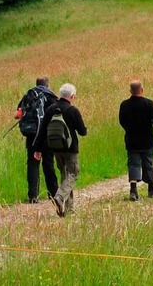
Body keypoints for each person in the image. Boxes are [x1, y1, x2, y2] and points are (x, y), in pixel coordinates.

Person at [35, 83, 87, 217]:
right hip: (71, 149)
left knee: (64, 176)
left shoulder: (51, 109)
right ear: (72, 96)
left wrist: (37, 148)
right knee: (73, 173)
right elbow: (82, 131)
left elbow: (42, 130)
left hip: (56, 148)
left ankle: (68, 209)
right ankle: (59, 197)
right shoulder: (72, 110)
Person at [15, 76, 59, 204]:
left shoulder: (29, 95)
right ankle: (54, 193)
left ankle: (33, 196)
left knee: (33, 163)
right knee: (48, 164)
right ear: (48, 85)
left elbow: (18, 114)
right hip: (47, 134)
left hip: (32, 134)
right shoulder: (51, 96)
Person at [119, 80, 153, 201]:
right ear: (142, 90)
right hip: (146, 139)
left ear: (130, 91)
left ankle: (133, 190)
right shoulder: (148, 103)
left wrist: (128, 129)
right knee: (148, 163)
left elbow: (121, 120)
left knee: (133, 163)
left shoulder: (124, 104)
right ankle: (151, 188)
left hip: (131, 139)